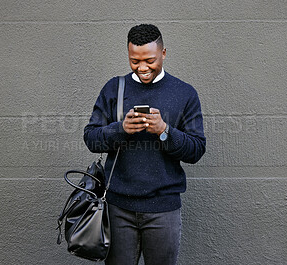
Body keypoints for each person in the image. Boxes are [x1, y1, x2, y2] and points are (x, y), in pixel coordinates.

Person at [84, 24, 206, 265]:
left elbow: (196, 150)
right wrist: (121, 129)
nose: (142, 68)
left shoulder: (185, 93)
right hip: (117, 208)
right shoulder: (113, 88)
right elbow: (91, 138)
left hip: (164, 210)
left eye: (149, 60)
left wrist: (164, 131)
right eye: (134, 61)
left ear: (163, 53)